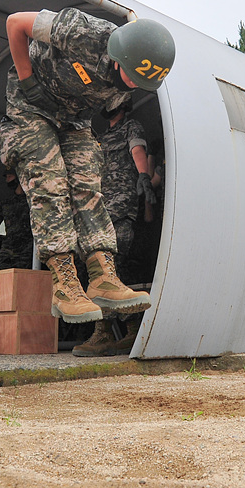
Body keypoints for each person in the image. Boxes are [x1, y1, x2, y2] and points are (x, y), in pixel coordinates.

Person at [0, 8, 175, 324]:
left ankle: (103, 276)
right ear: (120, 54)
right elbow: (15, 23)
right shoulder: (83, 32)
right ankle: (65, 286)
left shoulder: (129, 83)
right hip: (31, 108)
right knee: (49, 180)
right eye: (131, 73)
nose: (133, 83)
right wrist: (27, 81)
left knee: (88, 182)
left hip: (72, 117)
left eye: (141, 81)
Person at [74, 102, 155, 356]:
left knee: (104, 265)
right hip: (102, 207)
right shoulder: (102, 136)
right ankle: (130, 330)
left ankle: (104, 332)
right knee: (114, 270)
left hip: (120, 207)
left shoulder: (131, 126)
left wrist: (143, 176)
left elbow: (137, 150)